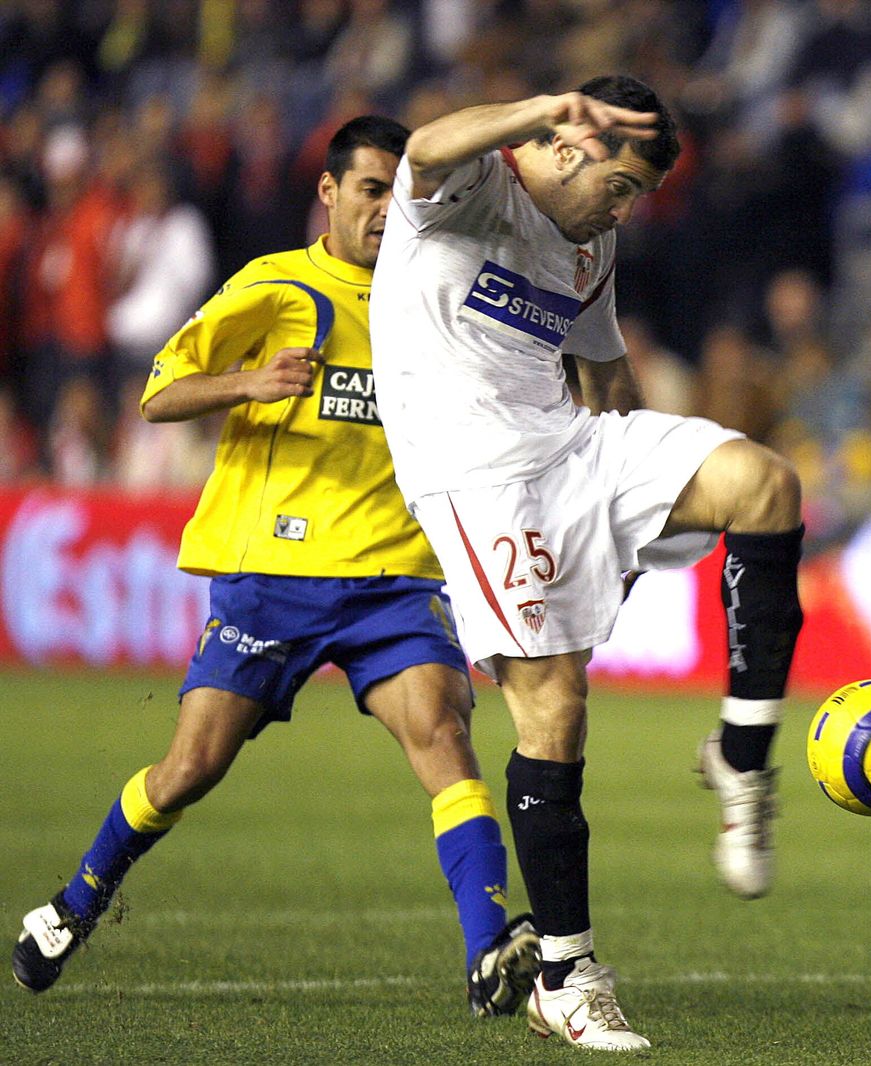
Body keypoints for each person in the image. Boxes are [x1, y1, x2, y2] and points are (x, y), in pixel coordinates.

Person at [12, 116, 542, 1021]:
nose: (387, 208)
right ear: (329, 194)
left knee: (447, 741)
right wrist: (245, 385)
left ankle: (489, 951)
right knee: (190, 769)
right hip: (275, 577)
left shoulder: (439, 295)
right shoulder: (277, 286)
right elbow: (157, 391)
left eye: (401, 190)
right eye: (370, 190)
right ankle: (76, 902)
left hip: (393, 579)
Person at [369, 76, 805, 1051]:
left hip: (572, 450)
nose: (624, 210)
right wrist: (544, 108)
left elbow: (603, 370)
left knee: (762, 483)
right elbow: (428, 142)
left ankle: (739, 756)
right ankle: (564, 974)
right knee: (554, 709)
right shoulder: (469, 188)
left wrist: (636, 503)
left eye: (636, 198)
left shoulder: (587, 242)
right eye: (620, 186)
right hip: (475, 480)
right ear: (565, 147)